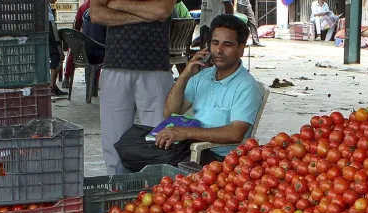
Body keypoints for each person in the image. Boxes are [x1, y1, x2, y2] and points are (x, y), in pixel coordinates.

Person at [114, 14, 263, 171]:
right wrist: (185, 75)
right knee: (130, 141)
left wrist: (184, 132)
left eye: (227, 45)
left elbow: (235, 134)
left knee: (135, 155)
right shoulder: (203, 76)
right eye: (215, 43)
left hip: (215, 156)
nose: (218, 50)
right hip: (188, 143)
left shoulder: (246, 86)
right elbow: (171, 112)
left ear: (240, 49)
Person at [91, 0, 179, 174]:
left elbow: (161, 10)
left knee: (160, 141)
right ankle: (117, 189)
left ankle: (158, 193)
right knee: (113, 142)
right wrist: (146, 14)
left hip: (155, 69)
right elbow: (97, 14)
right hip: (116, 66)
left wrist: (115, 4)